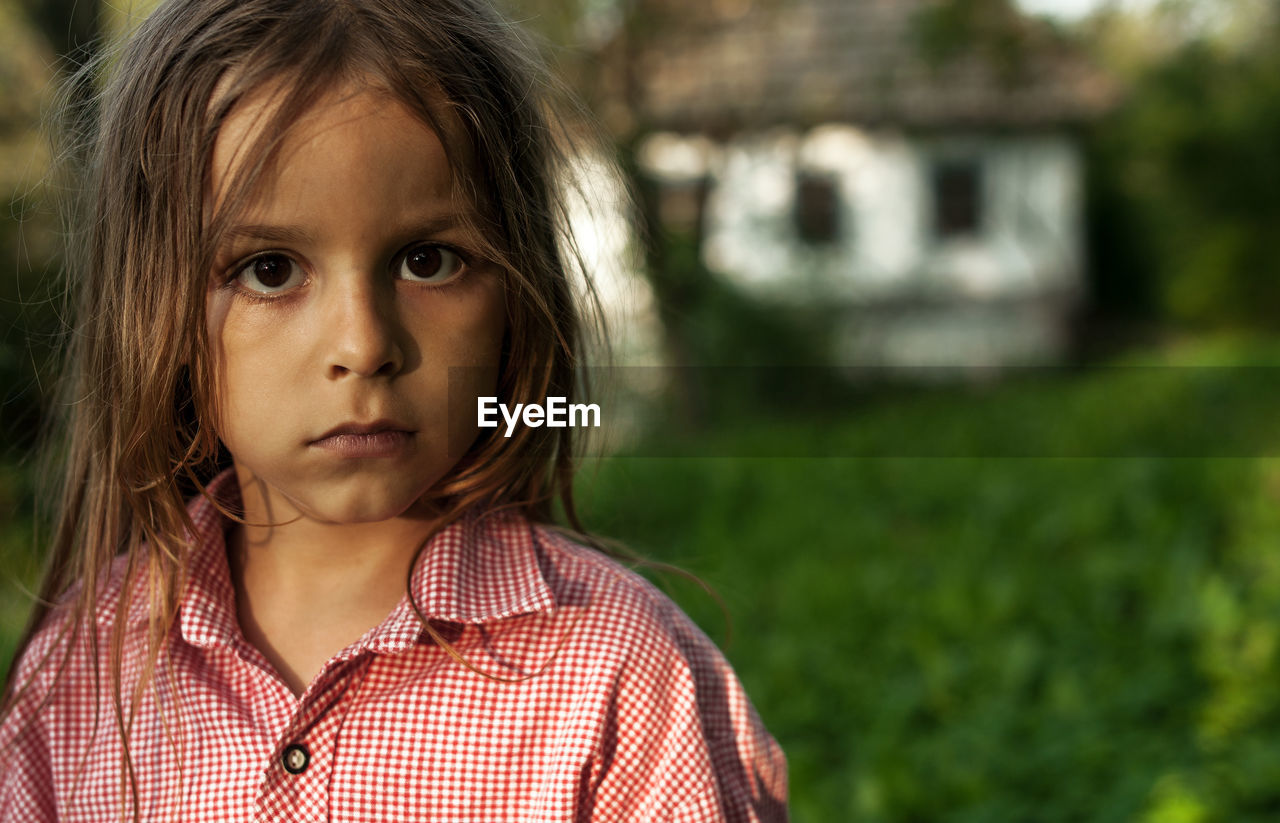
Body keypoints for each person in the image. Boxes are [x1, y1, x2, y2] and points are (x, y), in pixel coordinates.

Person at [0, 0, 788, 819]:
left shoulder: (618, 678)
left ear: (520, 294)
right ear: (152, 311)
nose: (364, 342)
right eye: (270, 270)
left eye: (428, 259)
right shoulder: (82, 678)